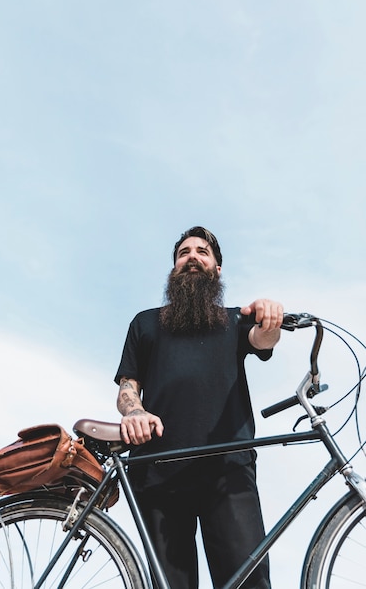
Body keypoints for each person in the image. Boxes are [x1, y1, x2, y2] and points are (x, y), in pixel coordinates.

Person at [114, 226, 283, 589]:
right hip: (158, 471)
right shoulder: (145, 323)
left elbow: (263, 338)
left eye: (202, 252)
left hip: (228, 472)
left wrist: (270, 316)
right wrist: (134, 412)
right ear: (175, 267)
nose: (192, 257)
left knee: (249, 583)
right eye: (184, 253)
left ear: (217, 269)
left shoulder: (236, 320)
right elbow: (128, 387)